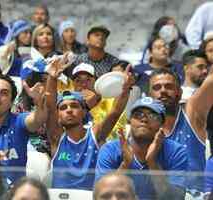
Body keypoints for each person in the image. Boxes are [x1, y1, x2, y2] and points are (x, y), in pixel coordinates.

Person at [46, 59, 133, 189]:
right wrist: (52, 78)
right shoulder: (56, 138)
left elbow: (115, 113)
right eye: (63, 108)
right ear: (58, 116)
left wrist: (125, 90)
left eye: (74, 106)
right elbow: (50, 108)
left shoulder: (95, 133)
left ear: (84, 112)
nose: (69, 110)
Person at [96, 97, 188, 199]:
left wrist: (152, 162)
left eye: (152, 116)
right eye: (138, 115)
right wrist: (125, 164)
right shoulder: (110, 149)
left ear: (162, 123)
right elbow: (101, 195)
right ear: (130, 121)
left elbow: (176, 198)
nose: (144, 119)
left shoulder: (176, 151)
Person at [147, 67, 213, 197]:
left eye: (169, 86)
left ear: (180, 92)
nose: (163, 91)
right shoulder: (141, 124)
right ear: (149, 95)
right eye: (157, 87)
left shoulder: (192, 113)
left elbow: (210, 82)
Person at [71, 62, 128, 139]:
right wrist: (86, 107)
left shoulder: (112, 103)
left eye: (88, 80)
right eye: (78, 81)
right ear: (73, 85)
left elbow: (114, 135)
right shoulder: (68, 107)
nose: (83, 85)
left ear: (96, 82)